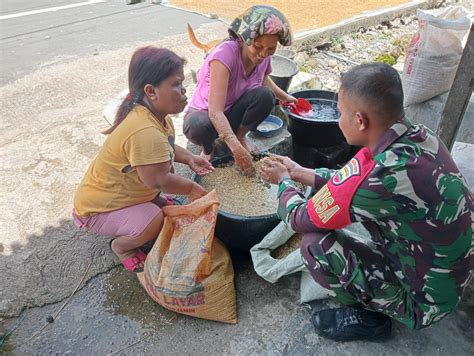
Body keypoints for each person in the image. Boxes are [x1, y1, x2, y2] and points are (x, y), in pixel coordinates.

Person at [261, 63, 472, 342]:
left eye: (340, 113)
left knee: (315, 246)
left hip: (423, 303)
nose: (338, 120)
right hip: (448, 276)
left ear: (360, 121)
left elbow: (299, 217)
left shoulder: (379, 179)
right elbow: (352, 179)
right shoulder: (418, 136)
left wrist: (285, 181)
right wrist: (302, 173)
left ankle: (370, 318)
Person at [73, 46, 214, 273]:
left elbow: (164, 147)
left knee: (164, 209)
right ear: (151, 91)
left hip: (127, 193)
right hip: (97, 208)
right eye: (176, 84)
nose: (184, 90)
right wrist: (192, 189)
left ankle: (144, 208)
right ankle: (122, 247)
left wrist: (189, 158)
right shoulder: (143, 130)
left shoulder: (154, 116)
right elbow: (157, 180)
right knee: (154, 221)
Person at [184, 5, 297, 174]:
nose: (264, 53)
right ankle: (209, 150)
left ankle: (240, 135)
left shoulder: (264, 56)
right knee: (198, 125)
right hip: (206, 115)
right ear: (244, 40)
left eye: (271, 49)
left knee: (266, 96)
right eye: (258, 47)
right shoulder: (224, 55)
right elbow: (215, 112)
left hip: (232, 113)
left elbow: (264, 80)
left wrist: (287, 98)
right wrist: (236, 150)